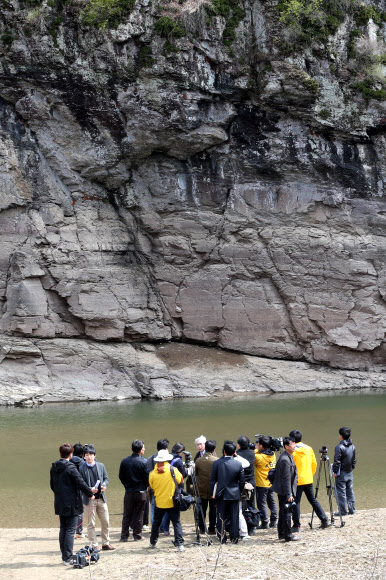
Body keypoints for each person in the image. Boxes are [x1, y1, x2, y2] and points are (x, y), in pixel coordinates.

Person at [50, 443, 95, 565]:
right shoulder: (70, 468)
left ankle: (64, 556)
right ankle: (68, 558)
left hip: (60, 502)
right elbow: (81, 483)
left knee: (63, 529)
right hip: (72, 504)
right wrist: (90, 494)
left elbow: (52, 486)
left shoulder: (54, 467)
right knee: (70, 530)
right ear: (71, 454)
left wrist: (60, 495)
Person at [289, 430, 331, 531]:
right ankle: (324, 520)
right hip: (308, 479)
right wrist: (310, 474)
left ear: (292, 440)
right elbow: (314, 464)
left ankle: (296, 525)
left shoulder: (292, 451)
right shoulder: (308, 448)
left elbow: (289, 467)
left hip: (297, 481)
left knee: (296, 502)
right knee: (313, 500)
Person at [79, 444, 115, 551]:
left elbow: (106, 478)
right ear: (84, 456)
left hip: (101, 498)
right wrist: (90, 490)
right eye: (87, 455)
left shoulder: (100, 466)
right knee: (91, 524)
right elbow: (81, 484)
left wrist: (104, 485)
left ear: (95, 455)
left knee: (106, 521)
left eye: (91, 454)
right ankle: (94, 545)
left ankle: (106, 543)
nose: (89, 457)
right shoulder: (81, 468)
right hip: (89, 499)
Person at [148, 449, 185, 552]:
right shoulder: (173, 470)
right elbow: (181, 481)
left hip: (159, 502)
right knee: (176, 523)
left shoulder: (152, 473)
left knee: (156, 523)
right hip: (172, 501)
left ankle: (153, 542)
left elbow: (151, 486)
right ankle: (180, 544)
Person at [210, 440, 245, 544]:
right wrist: (239, 491)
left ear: (224, 451)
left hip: (221, 493)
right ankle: (234, 538)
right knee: (234, 516)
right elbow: (242, 481)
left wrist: (213, 493)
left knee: (221, 517)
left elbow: (213, 480)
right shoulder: (238, 464)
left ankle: (222, 538)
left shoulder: (216, 463)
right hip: (234, 493)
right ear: (234, 452)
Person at [119, 439, 148, 542]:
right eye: (143, 448)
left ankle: (124, 536)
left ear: (131, 449)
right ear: (140, 450)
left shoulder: (124, 461)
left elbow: (121, 476)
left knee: (127, 514)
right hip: (141, 492)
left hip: (129, 491)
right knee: (139, 514)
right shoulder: (144, 462)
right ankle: (137, 535)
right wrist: (145, 486)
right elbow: (147, 478)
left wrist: (126, 485)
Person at [271, 436, 299, 542]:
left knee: (283, 511)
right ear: (286, 446)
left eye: (294, 443)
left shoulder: (288, 456)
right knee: (287, 512)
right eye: (292, 444)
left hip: (284, 489)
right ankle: (288, 535)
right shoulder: (285, 459)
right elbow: (286, 479)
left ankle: (282, 533)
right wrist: (289, 494)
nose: (294, 445)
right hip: (285, 490)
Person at [160, 442, 187, 536]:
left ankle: (165, 529)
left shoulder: (168, 458)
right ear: (180, 451)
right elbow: (183, 476)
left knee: (167, 509)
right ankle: (177, 530)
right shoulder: (179, 461)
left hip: (166, 486)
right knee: (175, 510)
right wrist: (187, 469)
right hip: (176, 488)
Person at [195, 439, 218, 534]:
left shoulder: (198, 460)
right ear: (214, 450)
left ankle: (202, 528)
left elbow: (196, 473)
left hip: (201, 488)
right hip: (213, 489)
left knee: (201, 509)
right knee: (213, 509)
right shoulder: (217, 461)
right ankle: (212, 528)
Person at [254, 436, 278, 529]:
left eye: (258, 444)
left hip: (261, 484)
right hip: (271, 483)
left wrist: (255, 449)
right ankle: (274, 521)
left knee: (261, 503)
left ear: (261, 445)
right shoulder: (273, 454)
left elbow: (254, 454)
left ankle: (264, 522)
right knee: (272, 502)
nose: (257, 445)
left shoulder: (258, 457)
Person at [333, 427, 357, 516]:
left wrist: (335, 471)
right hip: (349, 472)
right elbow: (354, 460)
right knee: (350, 491)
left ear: (341, 436)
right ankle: (352, 509)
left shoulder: (339, 447)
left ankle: (343, 511)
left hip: (341, 473)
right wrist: (351, 467)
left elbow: (337, 461)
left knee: (341, 492)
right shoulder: (353, 446)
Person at [146, 438, 169, 525]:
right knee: (166, 509)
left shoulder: (150, 458)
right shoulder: (168, 459)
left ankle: (155, 527)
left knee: (153, 508)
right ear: (166, 449)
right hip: (165, 488)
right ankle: (163, 527)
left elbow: (147, 473)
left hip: (153, 488)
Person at [237, 435, 257, 535]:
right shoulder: (252, 453)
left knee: (241, 506)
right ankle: (252, 527)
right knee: (251, 504)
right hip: (251, 483)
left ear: (239, 445)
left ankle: (241, 526)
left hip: (241, 483)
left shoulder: (237, 454)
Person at [70, 442, 86, 539]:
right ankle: (78, 532)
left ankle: (70, 530)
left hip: (68, 488)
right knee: (79, 510)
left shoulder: (69, 459)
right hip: (78, 488)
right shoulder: (81, 461)